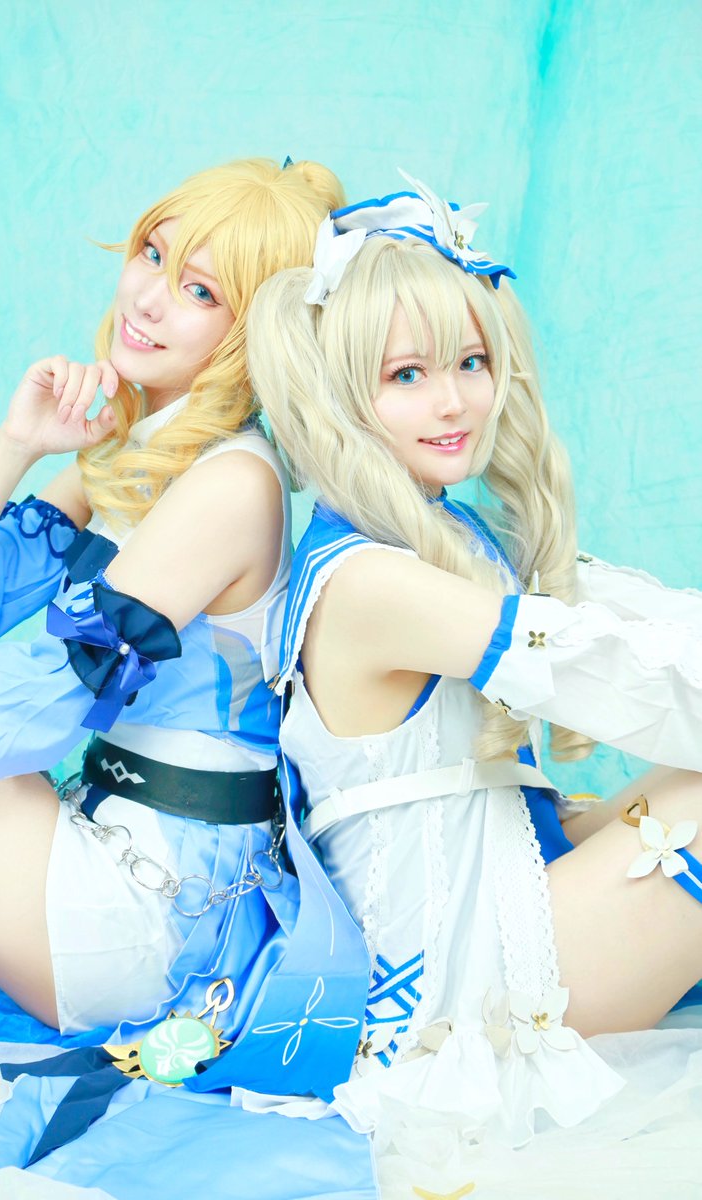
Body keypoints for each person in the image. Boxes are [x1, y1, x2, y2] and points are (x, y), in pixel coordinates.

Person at [243, 174, 702, 1193]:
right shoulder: (369, 581)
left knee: (679, 775)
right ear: (341, 391)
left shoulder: (445, 532)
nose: (451, 401)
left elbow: (636, 624)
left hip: (504, 897)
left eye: (470, 361)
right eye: (405, 375)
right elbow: (609, 673)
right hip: (454, 998)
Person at [0, 156, 346, 1041]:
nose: (147, 298)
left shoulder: (233, 483)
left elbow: (26, 718)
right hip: (106, 844)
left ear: (252, 332)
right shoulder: (138, 447)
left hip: (153, 915)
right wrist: (18, 445)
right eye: (151, 255)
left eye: (199, 291)